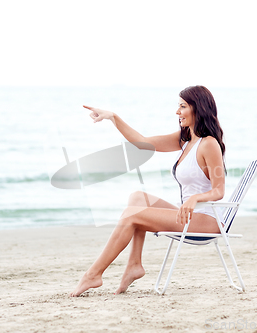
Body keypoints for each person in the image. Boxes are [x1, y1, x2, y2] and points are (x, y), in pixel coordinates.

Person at [69, 85, 227, 297]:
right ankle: (134, 264)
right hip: (189, 216)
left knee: (132, 214)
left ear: (198, 108)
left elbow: (219, 191)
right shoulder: (186, 139)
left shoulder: (209, 144)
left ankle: (93, 274)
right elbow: (142, 143)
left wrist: (196, 198)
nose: (177, 112)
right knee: (137, 198)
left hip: (207, 221)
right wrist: (113, 117)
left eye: (182, 106)